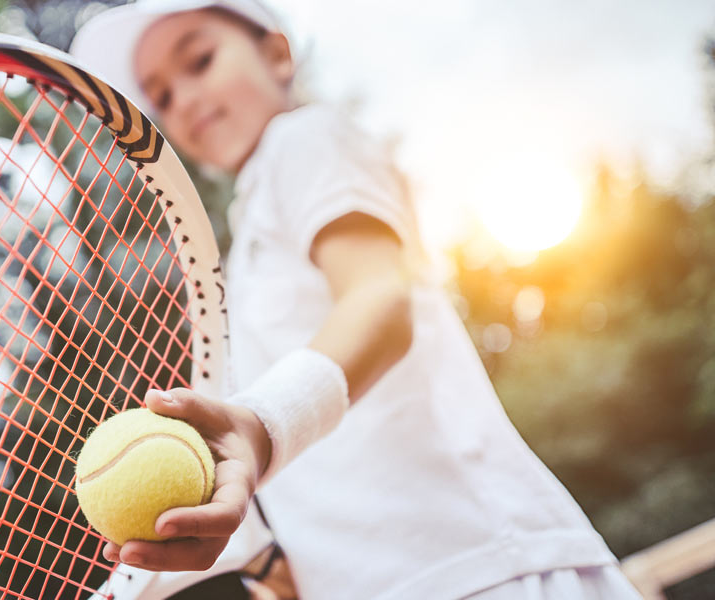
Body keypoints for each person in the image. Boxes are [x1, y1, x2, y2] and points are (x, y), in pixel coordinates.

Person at [70, 2, 643, 598]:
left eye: (200, 60)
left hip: (481, 566)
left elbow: (380, 298)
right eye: (160, 97)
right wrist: (275, 560)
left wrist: (262, 428)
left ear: (276, 54)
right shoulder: (245, 253)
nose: (183, 99)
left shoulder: (305, 139)